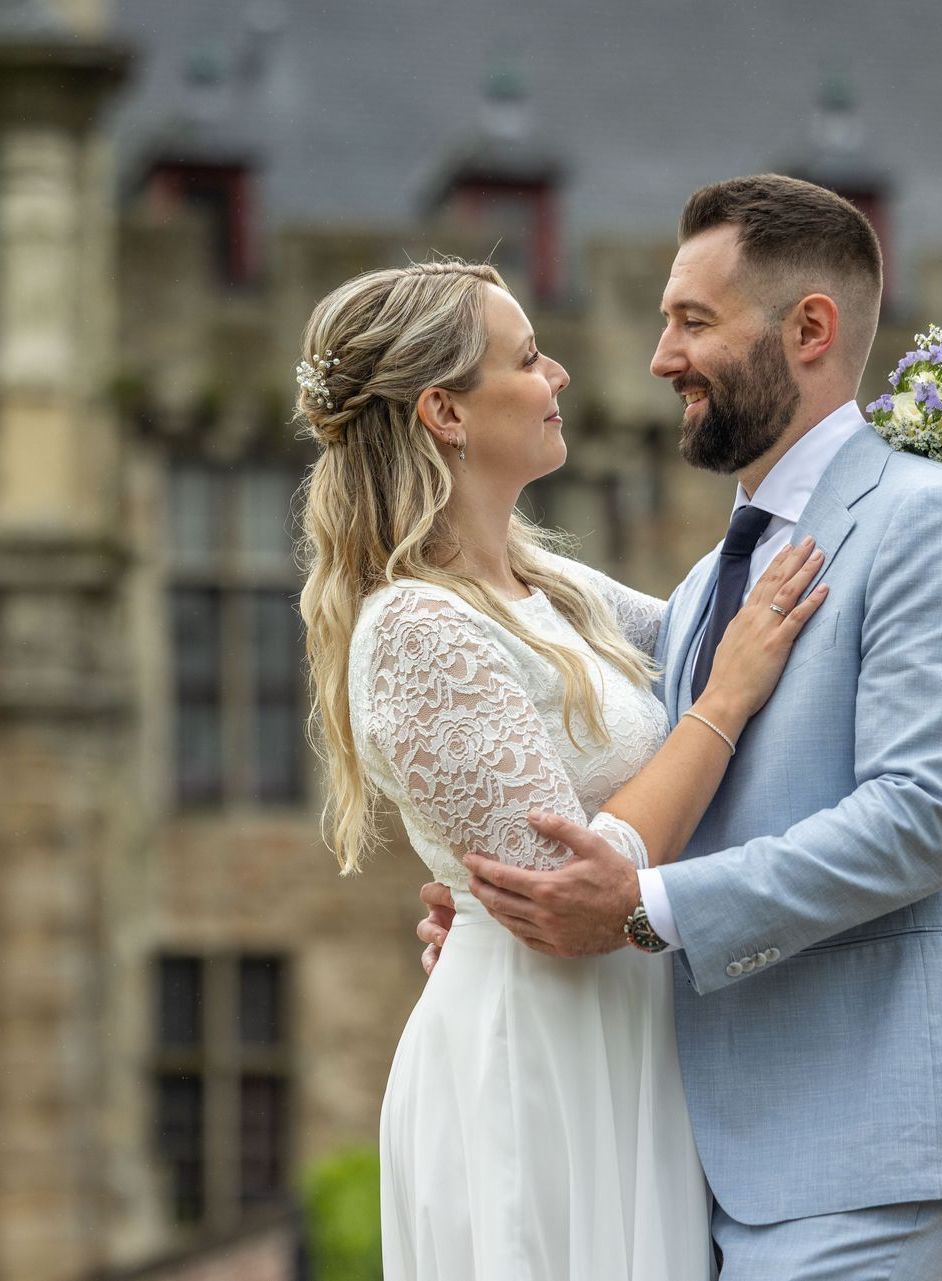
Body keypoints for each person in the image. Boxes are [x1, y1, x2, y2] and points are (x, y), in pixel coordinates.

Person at [419, 175, 942, 1281]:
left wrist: (637, 910)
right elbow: (636, 763)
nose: (657, 357)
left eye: (692, 322)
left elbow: (924, 818)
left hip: (875, 1134)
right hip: (721, 1150)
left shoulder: (932, 525)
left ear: (808, 330)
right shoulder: (703, 586)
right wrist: (511, 910)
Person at [292, 259, 833, 1281]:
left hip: (626, 1040)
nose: (562, 375)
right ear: (444, 412)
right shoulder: (415, 625)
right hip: (532, 1057)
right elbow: (576, 888)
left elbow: (751, 634)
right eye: (529, 357)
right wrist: (719, 704)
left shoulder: (549, 586)